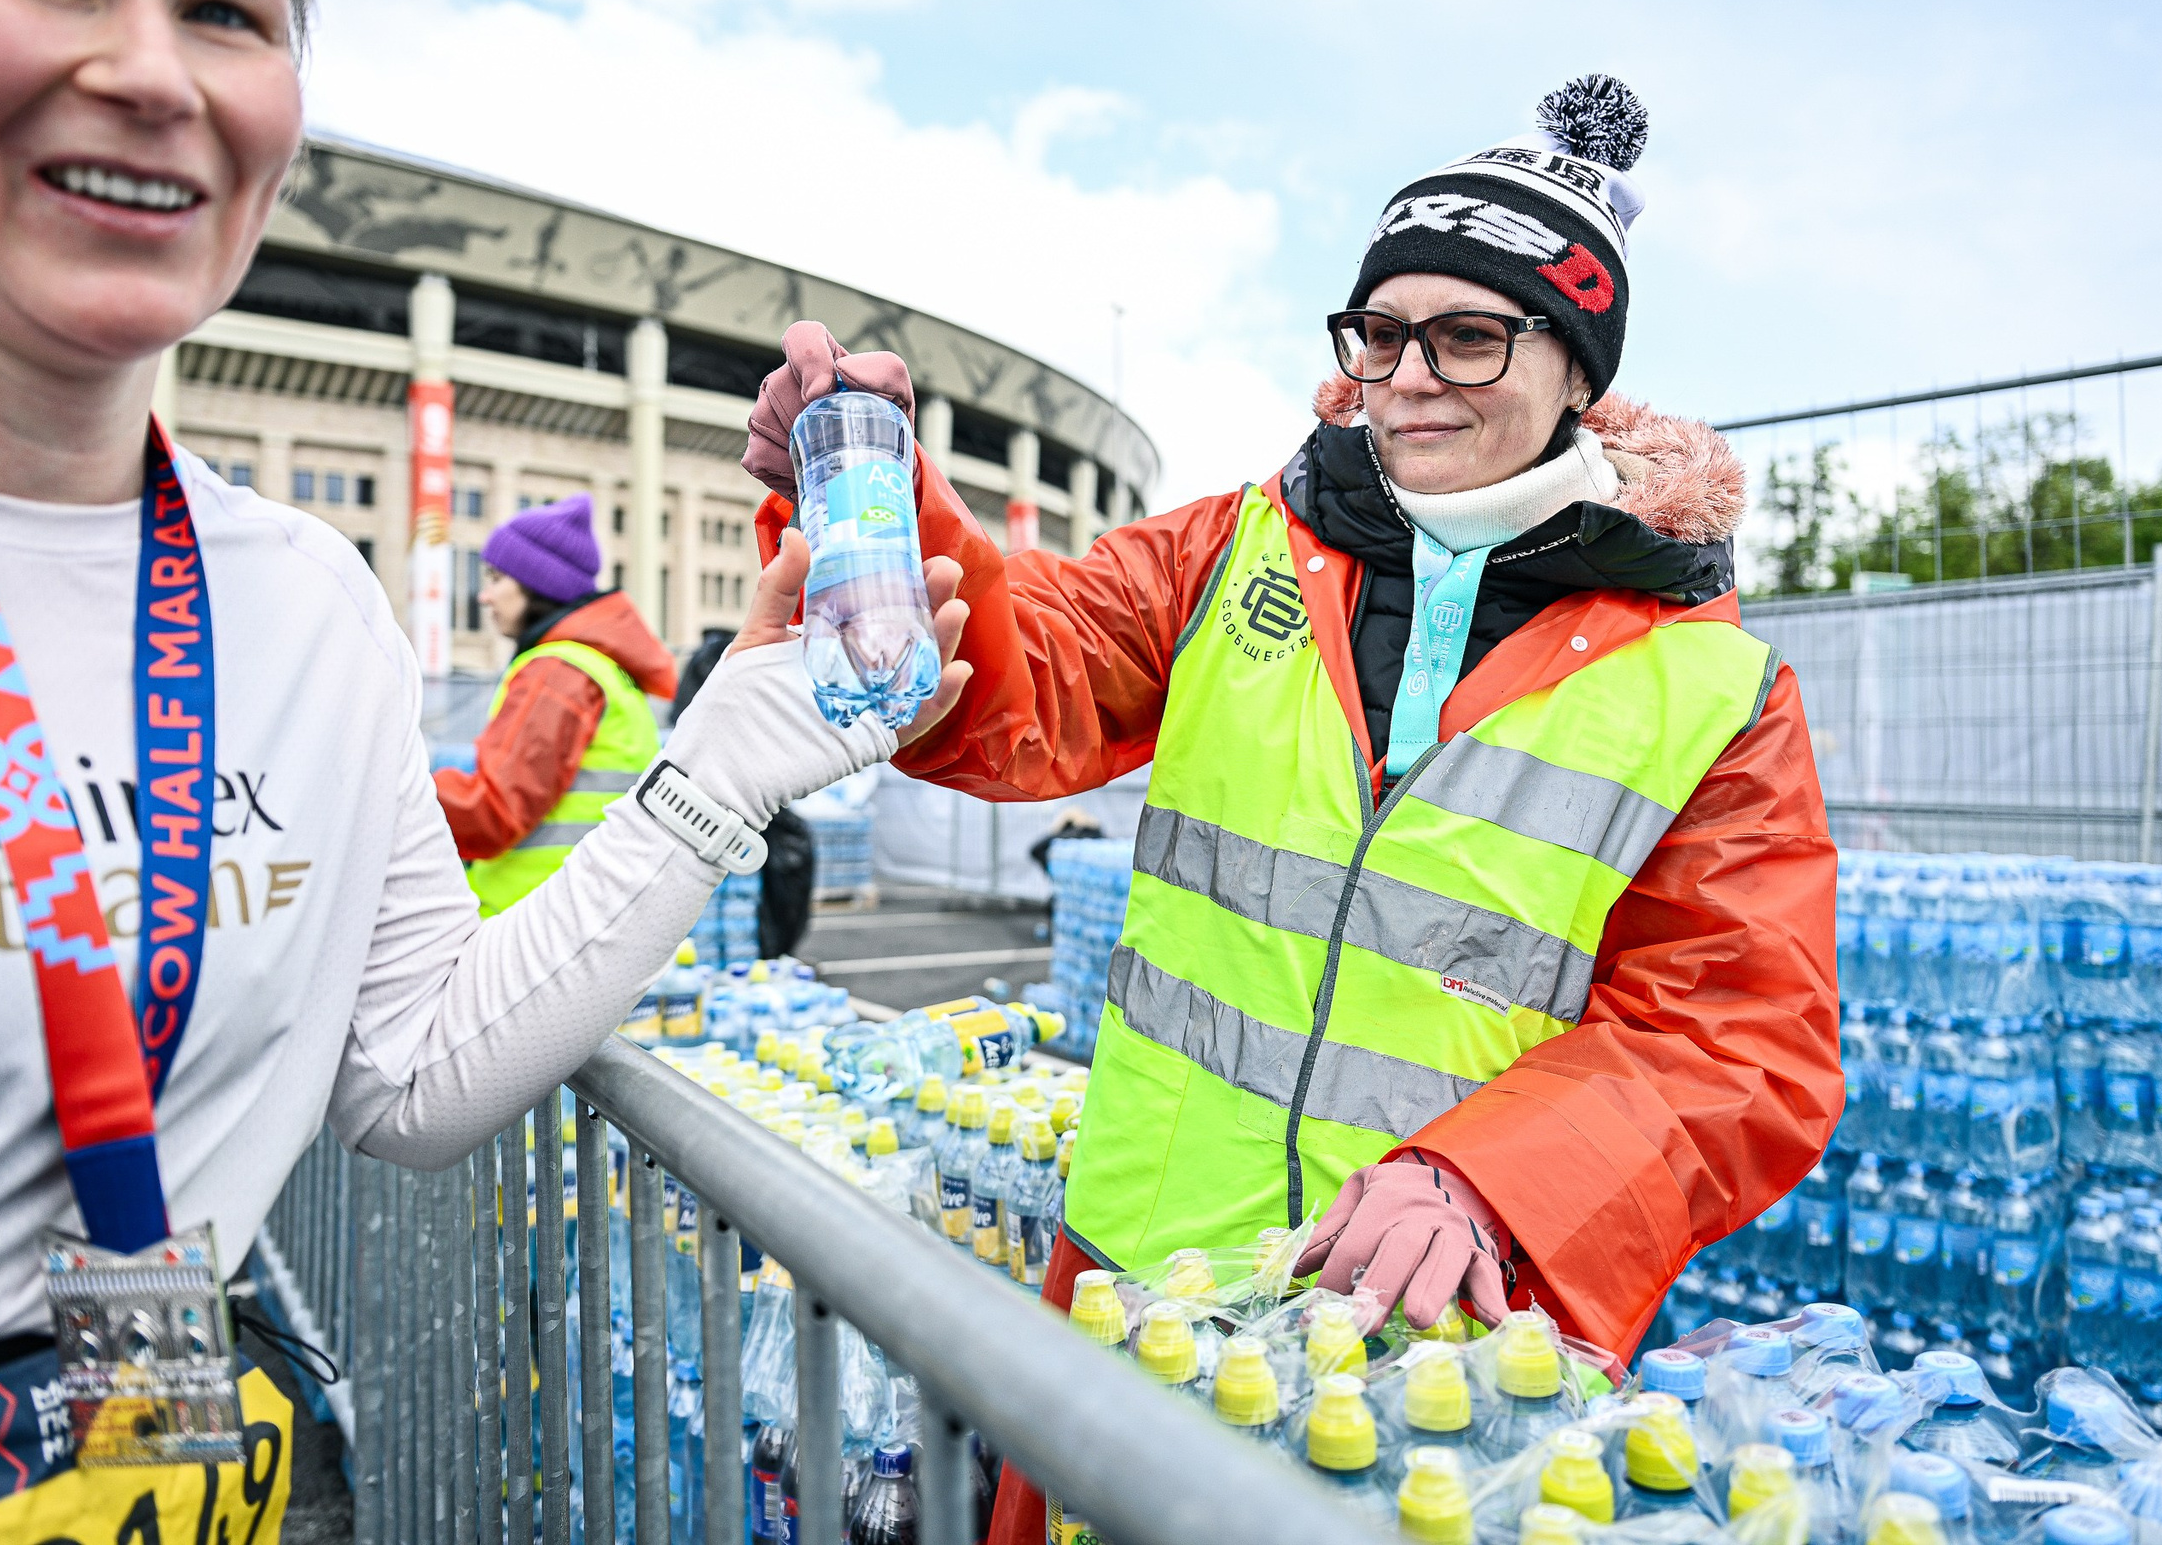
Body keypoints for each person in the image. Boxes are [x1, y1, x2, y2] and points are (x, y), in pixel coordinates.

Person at [0, 0, 964, 1538]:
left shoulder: (303, 607)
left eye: (223, 6)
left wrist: (725, 763)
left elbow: (413, 1070)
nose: (145, 70)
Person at [741, 78, 1840, 1545]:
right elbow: (1023, 680)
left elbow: (1739, 1036)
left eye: (1470, 334)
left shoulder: (1716, 685)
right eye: (1381, 332)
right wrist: (876, 516)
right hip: (1137, 1283)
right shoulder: (1237, 547)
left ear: (1577, 364)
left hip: (1442, 1365)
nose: (1411, 374)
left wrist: (1490, 1179)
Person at [433, 493, 679, 915]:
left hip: (531, 920)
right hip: (581, 913)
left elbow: (494, 811)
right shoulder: (605, 669)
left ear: (536, 584)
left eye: (495, 579)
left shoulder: (555, 673)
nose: (484, 597)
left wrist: (398, 793)